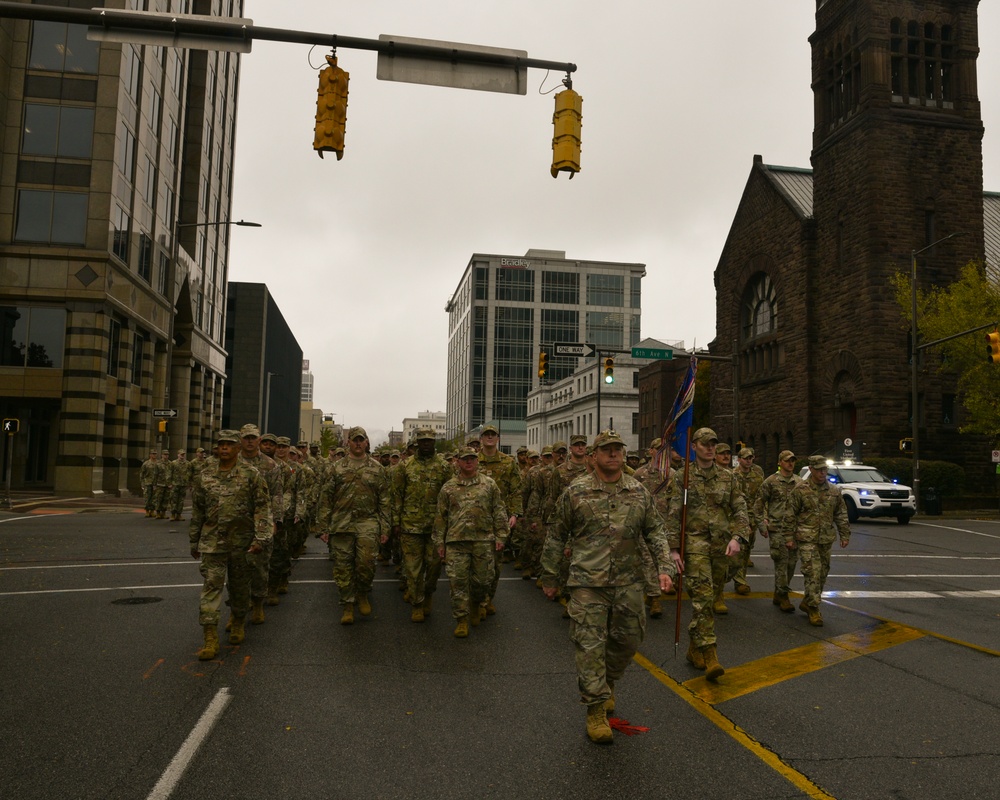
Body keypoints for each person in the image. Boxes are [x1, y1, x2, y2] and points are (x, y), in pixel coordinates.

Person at [540, 430, 675, 744]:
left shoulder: (639, 492)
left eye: (618, 449)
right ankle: (596, 711)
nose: (613, 454)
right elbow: (557, 536)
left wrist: (664, 568)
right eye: (607, 450)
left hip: (628, 581)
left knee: (629, 641)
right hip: (587, 583)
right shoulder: (576, 492)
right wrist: (549, 577)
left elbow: (656, 532)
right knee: (589, 648)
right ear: (594, 456)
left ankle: (608, 682)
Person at [663, 427, 749, 681]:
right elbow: (674, 513)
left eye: (713, 444)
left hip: (721, 546)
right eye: (705, 444)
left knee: (709, 600)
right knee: (701, 598)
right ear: (694, 446)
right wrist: (674, 549)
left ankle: (693, 648)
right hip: (696, 544)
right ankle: (711, 654)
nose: (710, 448)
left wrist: (737, 537)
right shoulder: (683, 477)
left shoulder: (728, 478)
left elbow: (740, 508)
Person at [189, 430, 273, 660]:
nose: (224, 448)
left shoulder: (251, 475)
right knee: (211, 586)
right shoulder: (204, 475)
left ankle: (237, 621)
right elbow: (198, 511)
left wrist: (260, 539)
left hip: (242, 542)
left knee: (239, 587)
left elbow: (262, 509)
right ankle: (209, 636)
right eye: (221, 444)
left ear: (238, 449)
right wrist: (194, 540)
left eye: (229, 444)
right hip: (212, 542)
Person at [433, 447, 508, 637]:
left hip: (483, 540)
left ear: (477, 461)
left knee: (482, 581)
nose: (469, 462)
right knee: (457, 582)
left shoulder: (489, 485)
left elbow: (499, 510)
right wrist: (439, 543)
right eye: (465, 459)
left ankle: (476, 603)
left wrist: (501, 536)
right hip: (456, 542)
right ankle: (461, 620)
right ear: (458, 461)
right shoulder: (448, 487)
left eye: (472, 458)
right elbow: (441, 517)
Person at [317, 426, 390, 624]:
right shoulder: (335, 468)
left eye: (361, 439)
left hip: (368, 522)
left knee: (366, 563)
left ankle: (363, 592)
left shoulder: (377, 469)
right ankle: (347, 604)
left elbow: (384, 500)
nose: (358, 443)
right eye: (354, 439)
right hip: (341, 522)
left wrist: (385, 527)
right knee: (342, 566)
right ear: (348, 443)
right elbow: (326, 498)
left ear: (366, 442)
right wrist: (322, 527)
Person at [391, 427, 454, 622]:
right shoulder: (405, 466)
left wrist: (450, 524)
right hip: (411, 526)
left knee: (434, 567)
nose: (426, 443)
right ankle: (417, 603)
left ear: (434, 442)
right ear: (417, 442)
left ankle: (428, 594)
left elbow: (451, 497)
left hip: (436, 528)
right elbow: (397, 495)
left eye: (429, 440)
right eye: (423, 440)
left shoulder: (444, 467)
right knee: (412, 569)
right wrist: (395, 522)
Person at [787, 455, 851, 626]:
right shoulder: (800, 490)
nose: (823, 473)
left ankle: (807, 601)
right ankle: (814, 608)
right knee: (813, 572)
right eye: (819, 469)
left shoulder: (834, 491)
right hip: (806, 538)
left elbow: (841, 514)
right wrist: (789, 538)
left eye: (825, 469)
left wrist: (845, 535)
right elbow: (790, 515)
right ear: (811, 469)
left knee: (822, 573)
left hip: (825, 539)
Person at [237, 424, 283, 624]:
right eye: (246, 437)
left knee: (260, 566)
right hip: (236, 521)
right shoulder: (232, 461)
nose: (249, 441)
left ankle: (257, 603)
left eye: (253, 438)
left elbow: (277, 495)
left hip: (262, 521)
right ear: (241, 440)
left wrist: (276, 520)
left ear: (258, 440)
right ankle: (239, 606)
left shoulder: (271, 465)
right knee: (236, 567)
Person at [476, 424, 521, 616]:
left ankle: (488, 599)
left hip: (499, 520)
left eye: (493, 435)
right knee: (477, 564)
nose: (489, 437)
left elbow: (516, 490)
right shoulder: (472, 460)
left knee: (495, 564)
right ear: (480, 438)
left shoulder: (509, 462)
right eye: (486, 434)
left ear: (498, 439)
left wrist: (515, 514)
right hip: (475, 519)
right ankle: (478, 601)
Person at [754, 450, 803, 612]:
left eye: (793, 461)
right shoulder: (771, 482)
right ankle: (783, 596)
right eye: (787, 461)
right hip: (777, 529)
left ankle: (779, 592)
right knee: (781, 563)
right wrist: (762, 525)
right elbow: (759, 505)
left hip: (795, 530)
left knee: (791, 563)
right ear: (780, 462)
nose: (790, 463)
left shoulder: (800, 482)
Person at [730, 446, 765, 596]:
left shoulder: (757, 475)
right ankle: (739, 581)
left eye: (751, 458)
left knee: (747, 550)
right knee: (740, 551)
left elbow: (762, 498)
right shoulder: (732, 475)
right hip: (737, 518)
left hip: (753, 517)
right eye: (746, 458)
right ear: (739, 460)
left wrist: (762, 517)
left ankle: (740, 578)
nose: (749, 461)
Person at [140, 450, 158, 517]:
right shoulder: (146, 463)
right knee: (147, 498)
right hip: (147, 482)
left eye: (155, 454)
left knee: (154, 498)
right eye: (153, 454)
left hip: (155, 484)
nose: (154, 455)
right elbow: (142, 474)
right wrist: (142, 484)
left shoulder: (158, 463)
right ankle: (147, 511)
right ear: (150, 455)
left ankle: (152, 511)